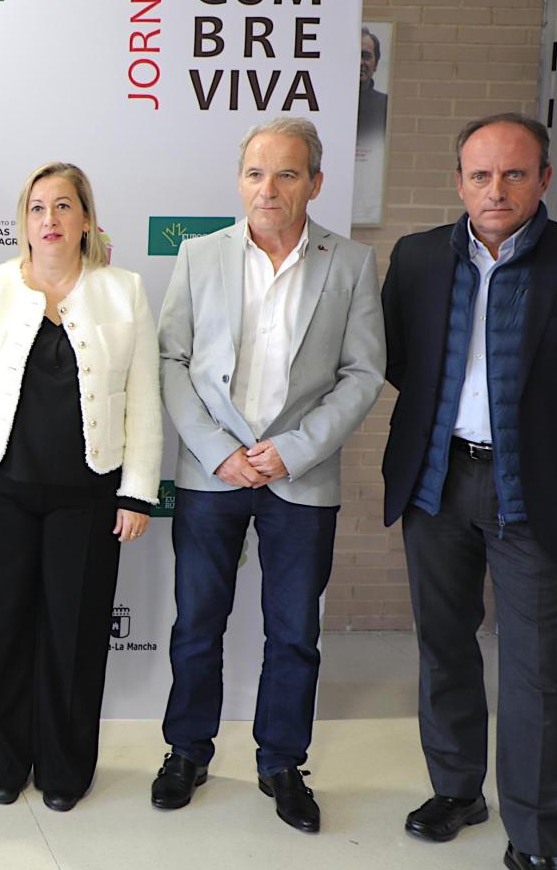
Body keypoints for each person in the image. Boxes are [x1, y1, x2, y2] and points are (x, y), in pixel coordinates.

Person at [151, 117, 384, 833]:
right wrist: (216, 449)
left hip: (300, 478)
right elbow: (172, 359)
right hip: (211, 473)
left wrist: (295, 449)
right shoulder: (200, 254)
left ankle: (282, 762)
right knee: (198, 624)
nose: (268, 188)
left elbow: (362, 373)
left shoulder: (350, 263)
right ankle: (186, 752)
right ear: (240, 181)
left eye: (287, 174)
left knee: (294, 632)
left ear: (315, 182)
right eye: (256, 173)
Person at [0, 162, 160, 810]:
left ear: (86, 218)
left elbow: (144, 397)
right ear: (24, 221)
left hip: (87, 496)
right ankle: (2, 761)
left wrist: (137, 491)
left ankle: (65, 769)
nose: (50, 219)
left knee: (75, 634)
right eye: (38, 207)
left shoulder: (124, 291)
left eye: (64, 206)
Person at [381, 112, 557, 870]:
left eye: (514, 173)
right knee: (444, 643)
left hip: (535, 490)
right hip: (438, 477)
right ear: (458, 182)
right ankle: (457, 791)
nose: (497, 190)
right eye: (481, 175)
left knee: (536, 667)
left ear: (544, 179)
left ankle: (537, 834)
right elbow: (398, 359)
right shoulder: (419, 257)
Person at [357, 28, 390, 149]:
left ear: (376, 64)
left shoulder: (385, 104)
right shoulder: (331, 102)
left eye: (366, 56)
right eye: (356, 56)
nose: (361, 62)